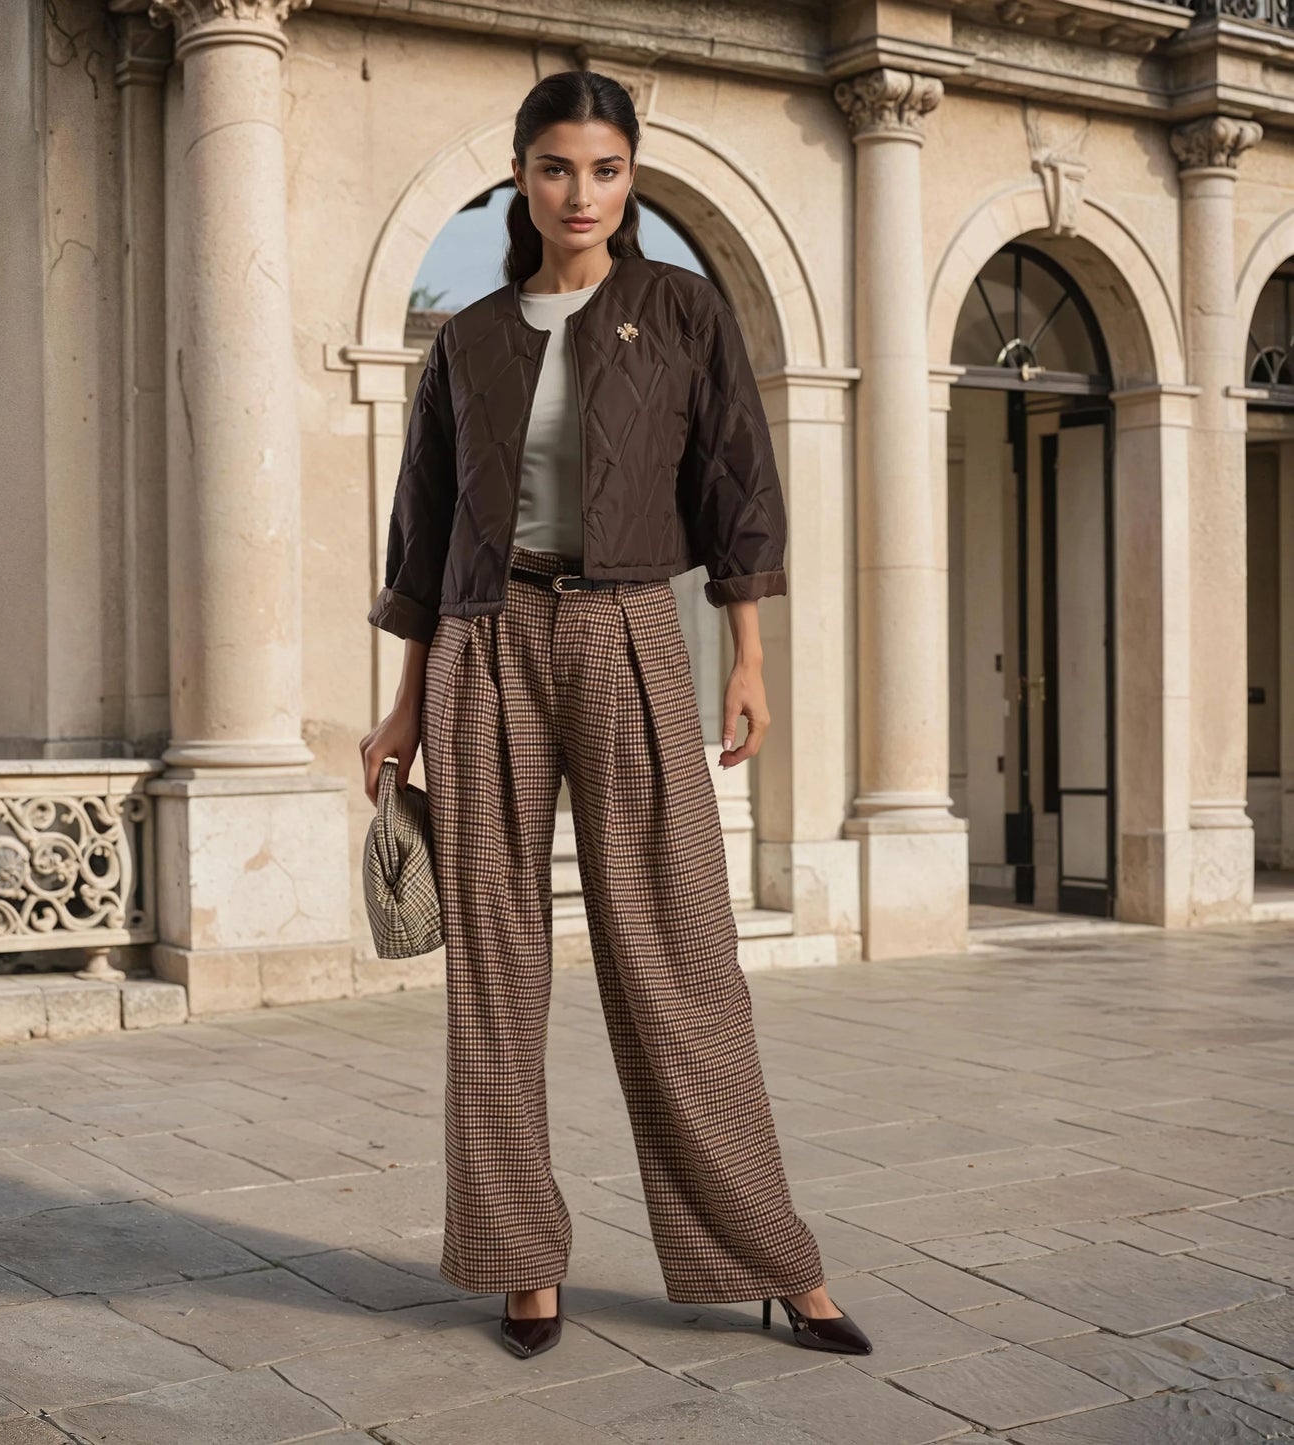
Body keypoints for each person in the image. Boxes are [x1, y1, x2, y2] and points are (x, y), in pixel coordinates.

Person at [358, 69, 872, 1363]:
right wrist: (404, 706)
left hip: (634, 631)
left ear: (627, 177)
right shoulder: (466, 339)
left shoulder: (679, 311)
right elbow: (422, 537)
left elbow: (736, 481)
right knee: (496, 961)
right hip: (482, 645)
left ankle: (770, 1256)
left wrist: (745, 656)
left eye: (602, 169)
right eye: (553, 168)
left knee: (683, 951)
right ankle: (518, 1260)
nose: (578, 193)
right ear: (517, 177)